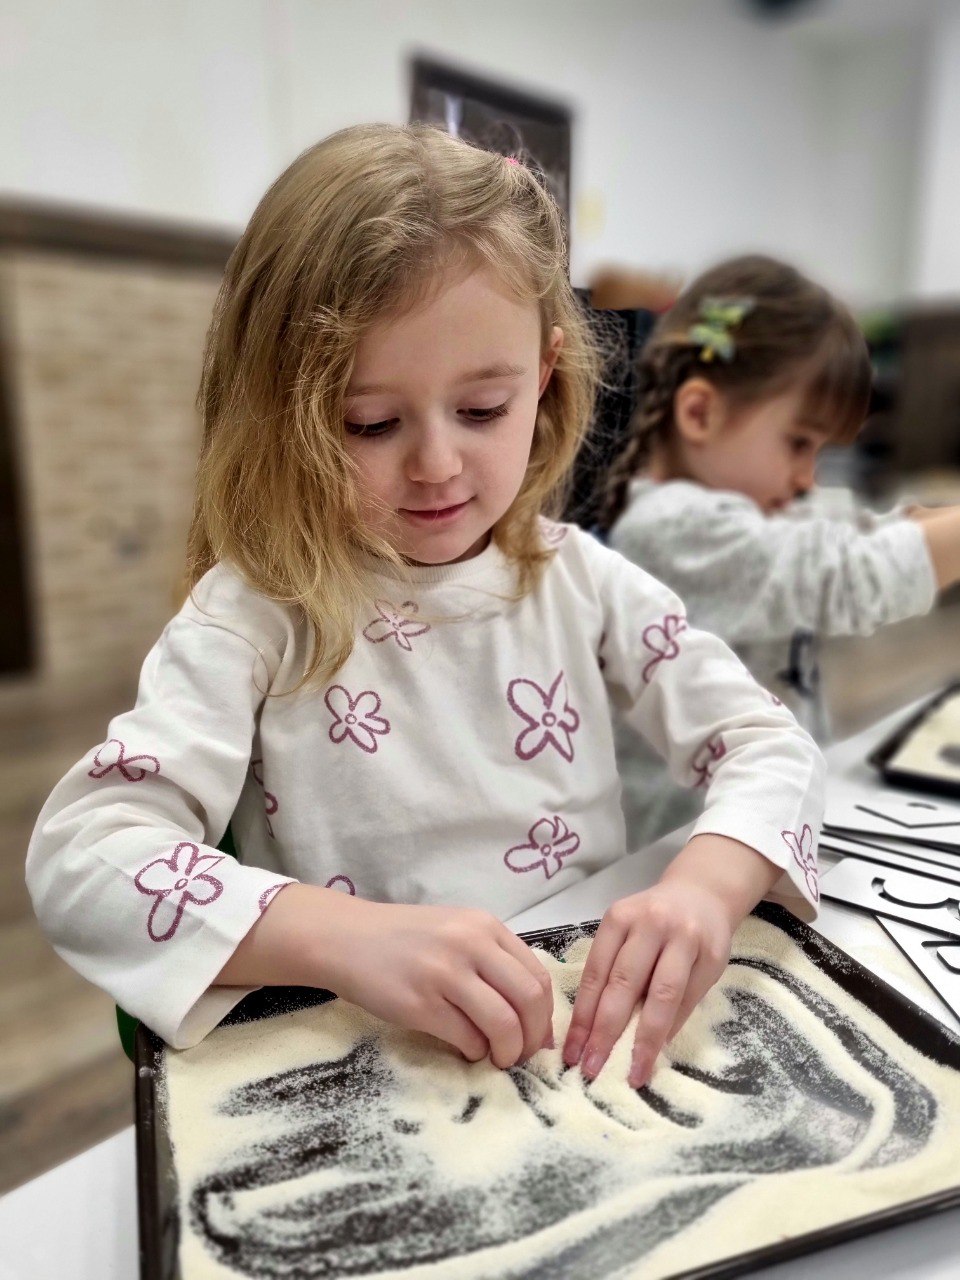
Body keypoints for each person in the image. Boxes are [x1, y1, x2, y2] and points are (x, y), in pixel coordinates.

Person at [26, 128, 824, 1093]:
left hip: (575, 1043)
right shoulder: (256, 615)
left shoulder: (583, 583)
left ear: (544, 374)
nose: (437, 465)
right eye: (368, 423)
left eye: (482, 410)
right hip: (371, 1064)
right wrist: (343, 939)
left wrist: (706, 885)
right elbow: (83, 857)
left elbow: (767, 743)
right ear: (283, 413)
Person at [600, 254, 960, 850]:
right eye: (798, 444)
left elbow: (862, 533)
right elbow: (850, 575)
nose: (806, 479)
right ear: (700, 413)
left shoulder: (760, 506)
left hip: (764, 824)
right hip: (683, 847)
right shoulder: (669, 528)